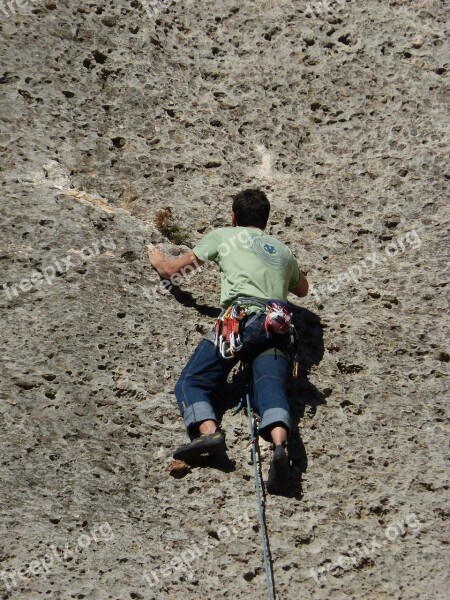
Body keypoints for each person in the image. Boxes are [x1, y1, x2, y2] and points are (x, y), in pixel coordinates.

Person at [148, 189, 308, 493]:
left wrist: (159, 261)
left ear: (234, 217)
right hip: (276, 324)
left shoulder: (224, 236)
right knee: (270, 387)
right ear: (265, 219)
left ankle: (208, 432)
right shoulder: (283, 250)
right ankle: (280, 448)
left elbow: (176, 270)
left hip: (240, 320)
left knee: (192, 381)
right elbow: (302, 289)